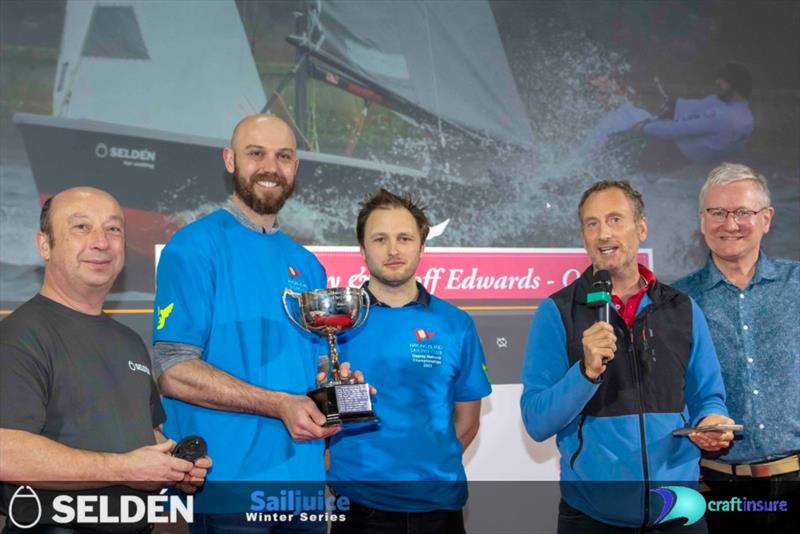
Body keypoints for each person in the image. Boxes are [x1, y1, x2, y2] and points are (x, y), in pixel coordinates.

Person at [153, 114, 359, 533]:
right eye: (256, 154)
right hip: (229, 486)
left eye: (283, 156)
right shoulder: (193, 247)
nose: (271, 167)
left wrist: (343, 395)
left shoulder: (308, 266)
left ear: (296, 167)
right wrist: (279, 404)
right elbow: (173, 370)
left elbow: (315, 373)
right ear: (230, 160)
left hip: (302, 486)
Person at [520, 180, 734, 532]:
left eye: (615, 219)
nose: (604, 233)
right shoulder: (556, 311)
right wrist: (585, 373)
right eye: (592, 223)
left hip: (679, 510)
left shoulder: (682, 309)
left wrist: (712, 422)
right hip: (592, 516)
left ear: (642, 227)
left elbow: (708, 398)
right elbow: (536, 421)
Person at [0, 187, 210, 533]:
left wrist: (175, 466)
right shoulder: (18, 337)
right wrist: (124, 469)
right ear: (44, 245)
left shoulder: (129, 342)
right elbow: (7, 452)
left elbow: (148, 433)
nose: (101, 242)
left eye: (113, 229)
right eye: (81, 227)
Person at [327, 189, 491, 534]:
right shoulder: (334, 326)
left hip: (439, 510)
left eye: (404, 238)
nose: (392, 250)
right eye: (380, 239)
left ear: (421, 247)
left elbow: (468, 421)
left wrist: (427, 468)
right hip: (360, 510)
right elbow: (320, 417)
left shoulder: (455, 324)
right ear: (362, 249)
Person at [673, 163, 799, 534]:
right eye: (717, 212)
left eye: (743, 212)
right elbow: (667, 391)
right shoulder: (677, 301)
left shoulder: (796, 285)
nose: (730, 224)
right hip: (722, 492)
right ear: (702, 220)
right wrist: (692, 425)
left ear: (766, 219)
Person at [632, 62, 754, 172]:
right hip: (688, 159)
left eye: (723, 80)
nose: (717, 82)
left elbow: (675, 130)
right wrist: (676, 104)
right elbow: (702, 105)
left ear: (734, 85)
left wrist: (643, 127)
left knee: (632, 142)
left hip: (669, 153)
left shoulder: (722, 117)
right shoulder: (746, 117)